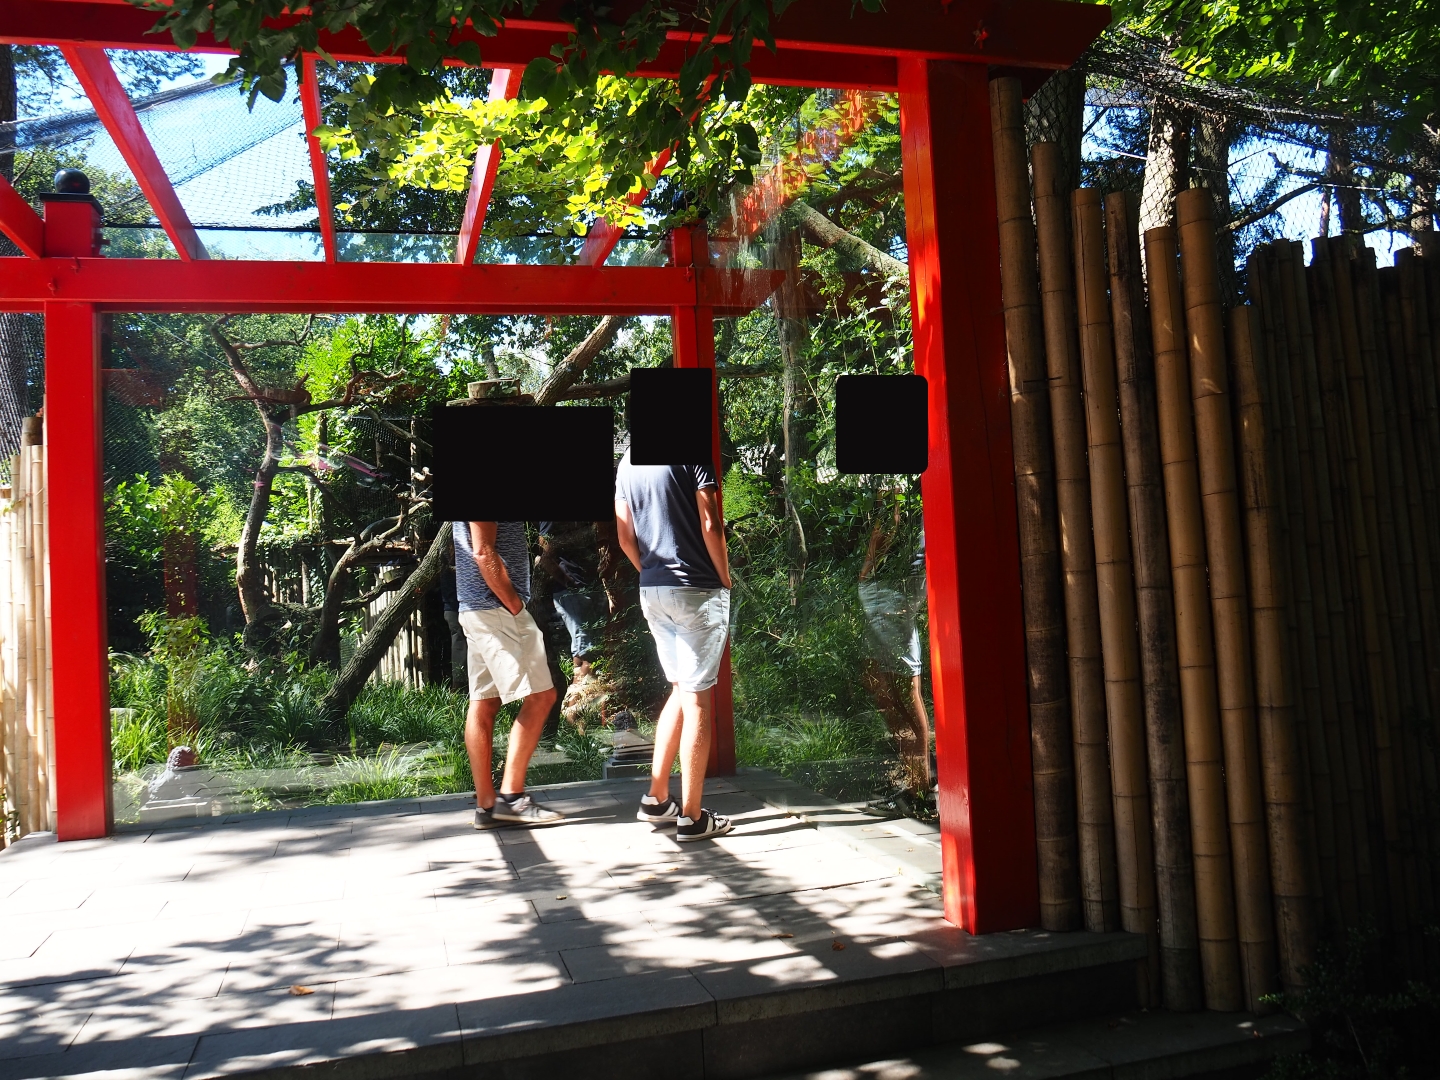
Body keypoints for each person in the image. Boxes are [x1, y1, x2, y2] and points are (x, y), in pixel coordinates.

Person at [614, 449, 734, 841]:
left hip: (653, 589)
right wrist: (724, 578)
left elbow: (624, 535)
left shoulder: (628, 460)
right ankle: (693, 817)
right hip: (697, 588)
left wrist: (650, 573)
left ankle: (656, 797)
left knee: (681, 690)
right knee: (698, 700)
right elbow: (711, 523)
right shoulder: (692, 453)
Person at [454, 519, 563, 829]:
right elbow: (483, 551)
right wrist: (515, 606)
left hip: (479, 608)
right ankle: (511, 798)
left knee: (484, 703)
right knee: (543, 696)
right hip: (497, 608)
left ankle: (487, 806)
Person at [857, 489, 933, 804]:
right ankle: (916, 781)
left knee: (901, 695)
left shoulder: (915, 533)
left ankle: (921, 787)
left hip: (891, 607)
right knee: (888, 696)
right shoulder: (893, 539)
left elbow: (918, 570)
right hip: (880, 605)